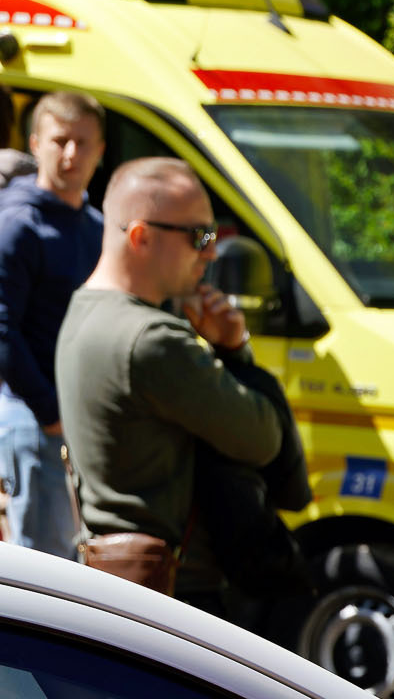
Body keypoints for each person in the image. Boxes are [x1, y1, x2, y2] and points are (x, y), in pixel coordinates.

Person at [56, 158, 299, 612]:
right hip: (179, 597)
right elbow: (263, 439)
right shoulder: (152, 340)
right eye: (199, 235)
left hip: (118, 580)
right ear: (140, 236)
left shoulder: (82, 310)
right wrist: (235, 348)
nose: (211, 252)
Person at [0, 91, 106, 554]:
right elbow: (2, 327)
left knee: (75, 558)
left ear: (101, 151)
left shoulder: (97, 225)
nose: (71, 154)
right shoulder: (17, 224)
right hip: (34, 419)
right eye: (60, 140)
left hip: (79, 421)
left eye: (83, 143)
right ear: (35, 144)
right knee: (43, 568)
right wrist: (50, 413)